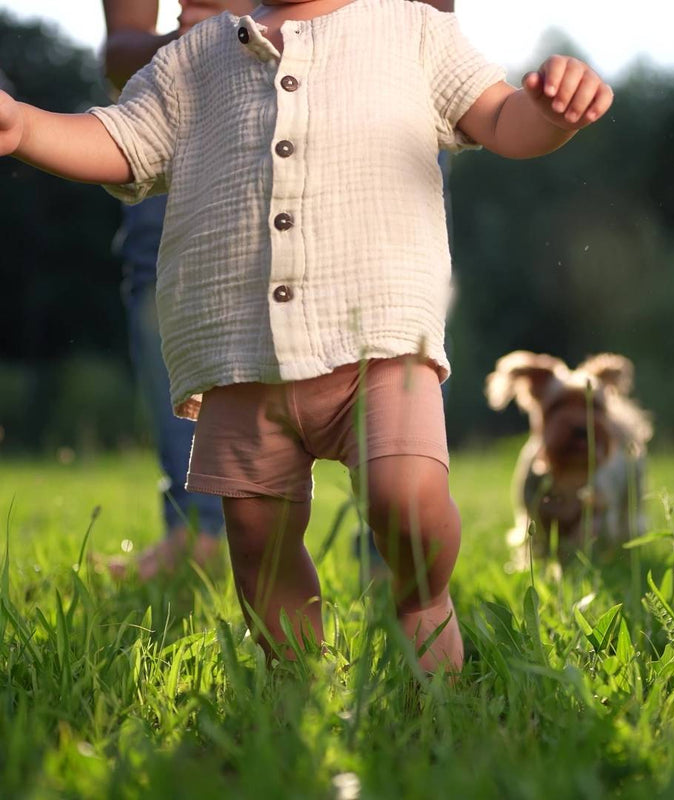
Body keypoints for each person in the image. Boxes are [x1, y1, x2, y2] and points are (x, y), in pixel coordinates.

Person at [0, 0, 613, 672]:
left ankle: (421, 603)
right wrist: (24, 125)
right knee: (259, 545)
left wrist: (552, 113)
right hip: (240, 358)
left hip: (379, 340)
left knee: (406, 499)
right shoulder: (195, 56)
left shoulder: (410, 29)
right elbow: (119, 141)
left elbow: (500, 118)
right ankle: (289, 677)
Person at [100, 1, 258, 581]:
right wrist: (188, 41)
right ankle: (200, 531)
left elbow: (433, 17)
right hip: (194, 99)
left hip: (366, 85)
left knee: (395, 273)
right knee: (156, 254)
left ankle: (394, 548)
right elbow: (121, 49)